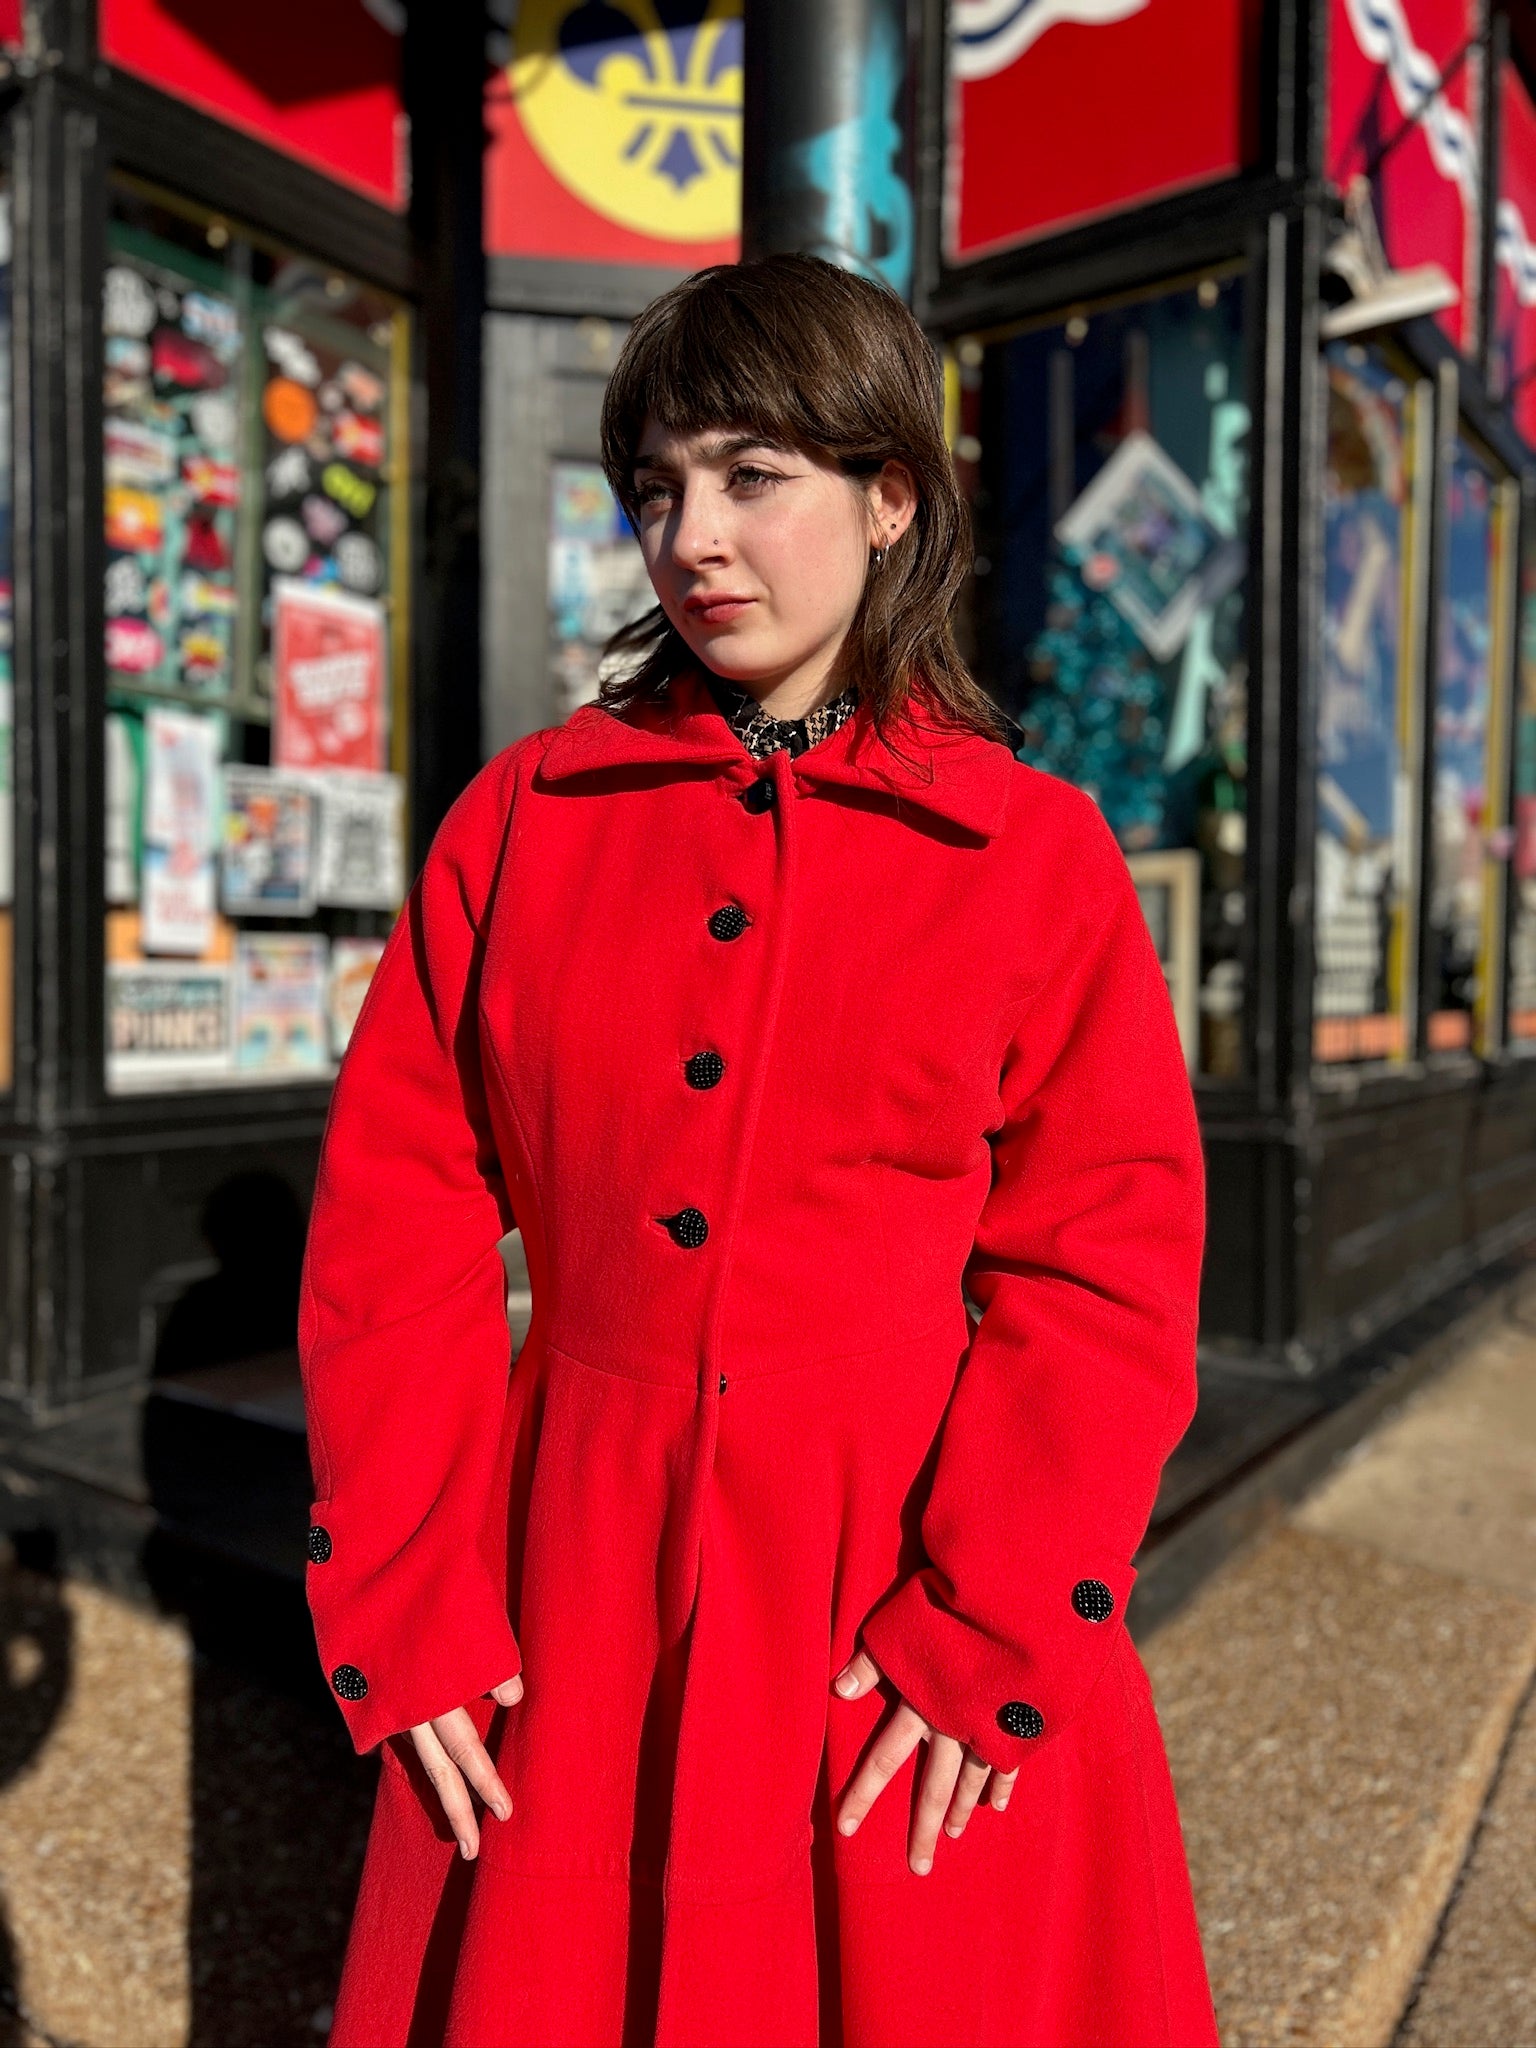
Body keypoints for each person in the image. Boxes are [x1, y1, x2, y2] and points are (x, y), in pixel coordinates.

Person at [299, 254, 1220, 2048]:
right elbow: (395, 1226)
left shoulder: (1030, 858)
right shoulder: (527, 823)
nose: (692, 536)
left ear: (891, 499)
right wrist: (411, 1594)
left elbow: (1103, 1261)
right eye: (656, 486)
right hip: (574, 1572)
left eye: (750, 475)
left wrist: (994, 1617)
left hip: (909, 1585)